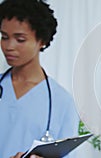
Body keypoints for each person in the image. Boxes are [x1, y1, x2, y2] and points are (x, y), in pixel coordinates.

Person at [0, 0, 80, 157]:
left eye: (20, 39)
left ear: (41, 41)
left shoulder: (62, 102)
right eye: (4, 37)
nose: (9, 46)